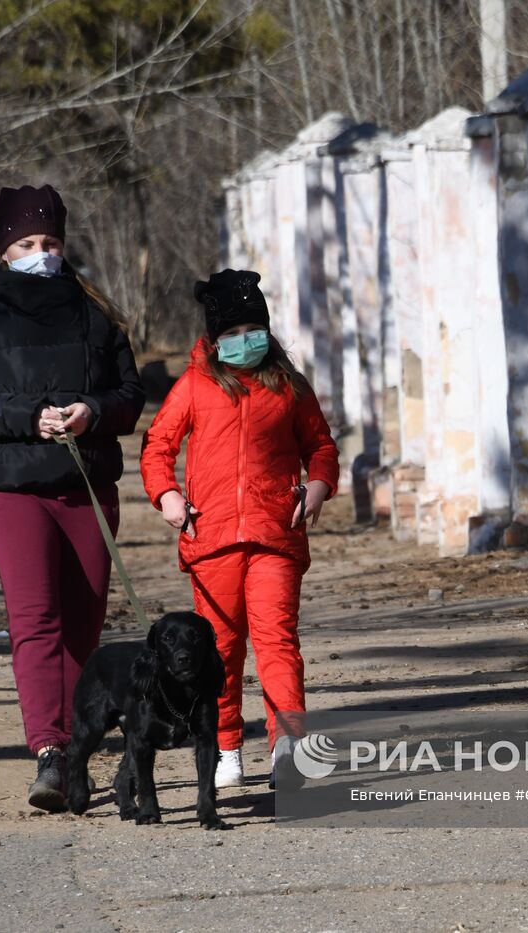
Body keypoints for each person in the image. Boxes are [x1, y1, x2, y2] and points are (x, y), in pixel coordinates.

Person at [0, 183, 145, 811]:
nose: (40, 253)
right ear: (3, 251)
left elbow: (131, 395)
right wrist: (30, 416)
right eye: (26, 244)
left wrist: (91, 410)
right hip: (13, 490)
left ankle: (81, 741)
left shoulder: (96, 316)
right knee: (36, 622)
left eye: (49, 242)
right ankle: (49, 752)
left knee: (85, 623)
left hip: (86, 488)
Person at [139, 269, 339, 790]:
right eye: (230, 333)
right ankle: (226, 746)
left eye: (252, 329)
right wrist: (167, 495)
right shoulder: (194, 387)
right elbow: (158, 445)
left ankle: (287, 748)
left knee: (277, 644)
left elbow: (321, 447)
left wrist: (318, 486)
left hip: (276, 535)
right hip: (211, 541)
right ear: (213, 339)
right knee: (220, 651)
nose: (242, 341)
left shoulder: (289, 387)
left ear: (267, 333)